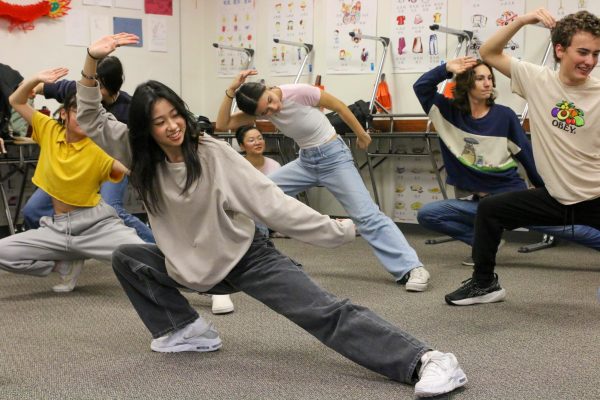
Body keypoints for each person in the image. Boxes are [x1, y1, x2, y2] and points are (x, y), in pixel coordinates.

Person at [76, 33, 467, 398]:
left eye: (174, 115)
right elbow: (92, 117)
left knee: (323, 313)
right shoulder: (137, 152)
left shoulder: (211, 154)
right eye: (159, 122)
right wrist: (93, 61)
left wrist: (335, 230)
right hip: (190, 266)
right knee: (128, 257)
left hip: (245, 257)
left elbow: (270, 202)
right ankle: (185, 329)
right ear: (146, 129)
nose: (172, 126)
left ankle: (426, 360)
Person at [216, 72, 430, 291]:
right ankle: (257, 262)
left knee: (366, 215)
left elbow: (338, 106)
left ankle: (411, 268)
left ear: (268, 88)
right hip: (306, 162)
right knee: (255, 194)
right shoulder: (261, 110)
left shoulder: (298, 92)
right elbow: (223, 124)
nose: (274, 109)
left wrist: (361, 133)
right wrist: (231, 91)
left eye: (270, 101)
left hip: (334, 158)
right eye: (265, 112)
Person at [445, 8, 600, 306]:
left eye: (596, 54)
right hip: (555, 197)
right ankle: (484, 283)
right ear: (560, 49)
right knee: (490, 210)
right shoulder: (535, 79)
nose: (590, 61)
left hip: (595, 196)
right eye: (583, 52)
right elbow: (489, 51)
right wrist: (523, 20)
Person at [413, 56, 600, 266]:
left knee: (572, 229)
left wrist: (546, 193)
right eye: (480, 78)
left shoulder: (504, 116)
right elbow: (421, 87)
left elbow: (527, 155)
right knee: (428, 215)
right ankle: (483, 242)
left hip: (508, 196)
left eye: (490, 78)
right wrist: (445, 68)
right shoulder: (445, 113)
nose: (488, 83)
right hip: (479, 203)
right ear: (466, 83)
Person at [1, 67, 145, 292]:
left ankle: (212, 283)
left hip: (95, 225)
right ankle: (62, 262)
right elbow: (15, 100)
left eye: (89, 113)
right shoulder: (48, 129)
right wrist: (36, 78)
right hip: (57, 229)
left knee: (146, 259)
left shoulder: (99, 147)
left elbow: (129, 170)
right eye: (78, 111)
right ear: (64, 114)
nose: (84, 118)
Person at [22, 56, 156, 245]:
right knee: (33, 210)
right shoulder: (78, 92)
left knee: (112, 209)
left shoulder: (130, 107)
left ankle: (157, 249)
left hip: (108, 163)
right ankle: (58, 250)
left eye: (100, 86)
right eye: (92, 82)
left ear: (114, 87)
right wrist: (33, 89)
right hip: (76, 164)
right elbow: (43, 88)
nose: (94, 91)